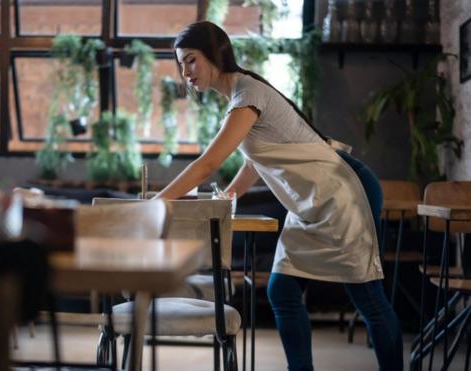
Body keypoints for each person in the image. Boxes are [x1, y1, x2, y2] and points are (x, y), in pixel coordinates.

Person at [153, 21, 403, 371]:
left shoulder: (247, 94)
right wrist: (229, 195)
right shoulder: (241, 97)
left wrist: (153, 206)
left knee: (367, 298)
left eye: (191, 60)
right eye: (181, 64)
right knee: (282, 291)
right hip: (311, 203)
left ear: (215, 54)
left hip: (343, 192)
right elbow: (255, 161)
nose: (186, 72)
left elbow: (207, 164)